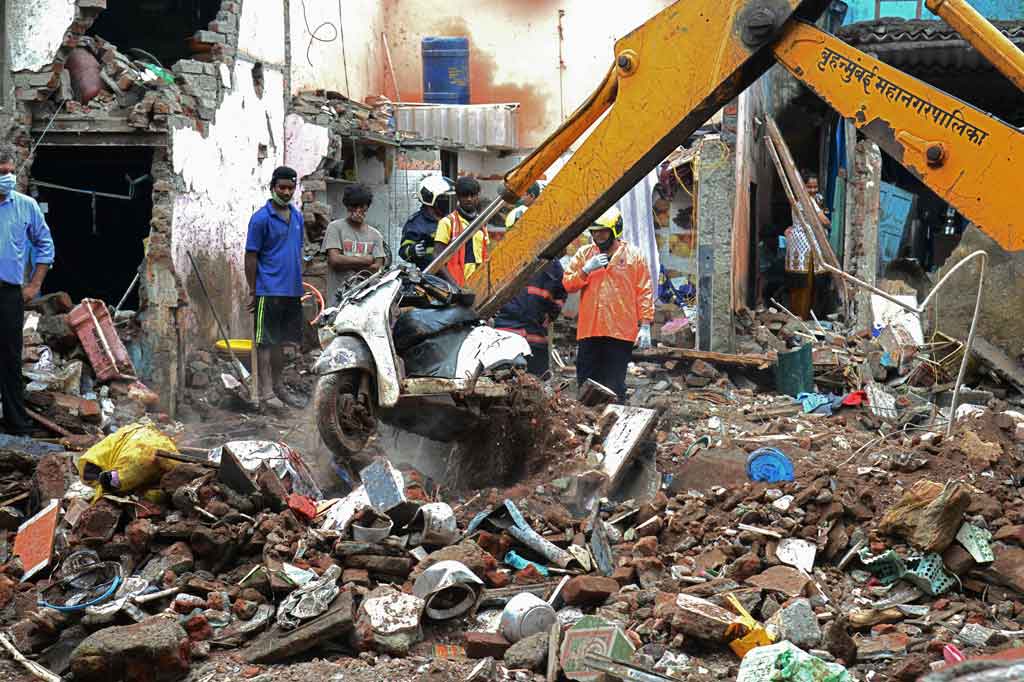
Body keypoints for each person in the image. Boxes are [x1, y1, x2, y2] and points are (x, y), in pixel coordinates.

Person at [563, 207, 654, 403]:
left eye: (603, 232)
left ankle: (614, 423)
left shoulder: (634, 256)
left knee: (614, 385)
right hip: (590, 330)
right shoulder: (584, 254)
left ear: (615, 230)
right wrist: (585, 271)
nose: (598, 236)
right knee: (586, 383)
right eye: (594, 232)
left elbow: (643, 291)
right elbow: (568, 284)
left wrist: (645, 323)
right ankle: (585, 422)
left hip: (620, 332)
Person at [0, 144, 54, 435]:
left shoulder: (25, 206)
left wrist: (34, 284)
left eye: (10, 172)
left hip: (9, 293)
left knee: (10, 357)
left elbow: (45, 245)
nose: (7, 177)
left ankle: (15, 423)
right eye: (1, 173)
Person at [245, 166, 306, 410]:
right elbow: (251, 256)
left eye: (290, 188)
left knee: (286, 343)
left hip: (292, 291)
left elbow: (297, 251)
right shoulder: (261, 218)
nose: (286, 192)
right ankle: (266, 392)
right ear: (272, 187)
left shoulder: (297, 216)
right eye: (282, 187)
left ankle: (279, 386)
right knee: (265, 343)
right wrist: (253, 289)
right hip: (267, 290)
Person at [493, 205, 567, 376]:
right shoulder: (500, 260)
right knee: (504, 385)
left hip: (535, 336)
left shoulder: (552, 263)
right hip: (507, 334)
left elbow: (560, 294)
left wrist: (549, 317)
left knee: (536, 384)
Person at [322, 183, 385, 305]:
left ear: (367, 207)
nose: (357, 211)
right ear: (347, 206)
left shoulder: (375, 235)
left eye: (361, 207)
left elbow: (377, 268)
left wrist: (346, 262)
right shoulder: (335, 228)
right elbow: (335, 260)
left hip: (365, 300)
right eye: (353, 207)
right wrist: (366, 260)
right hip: (338, 299)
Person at [433, 176, 488, 287]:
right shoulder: (447, 222)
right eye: (465, 195)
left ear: (477, 196)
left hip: (479, 282)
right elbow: (437, 257)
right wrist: (454, 285)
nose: (469, 199)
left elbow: (485, 253)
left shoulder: (481, 222)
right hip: (456, 284)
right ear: (458, 197)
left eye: (472, 195)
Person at [399, 175, 454, 270]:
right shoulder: (416, 223)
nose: (447, 201)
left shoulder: (451, 218)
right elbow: (403, 251)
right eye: (443, 198)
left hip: (454, 271)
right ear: (430, 198)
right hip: (431, 275)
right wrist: (413, 250)